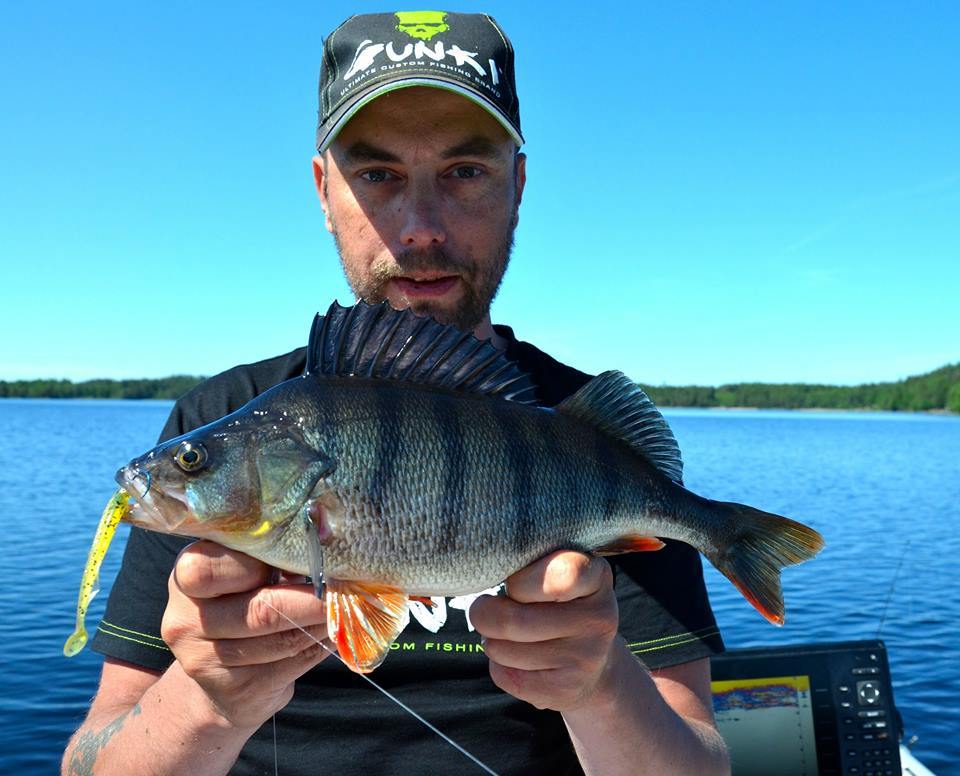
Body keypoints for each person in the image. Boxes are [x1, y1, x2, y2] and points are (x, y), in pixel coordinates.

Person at [63, 11, 729, 775]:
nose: (420, 228)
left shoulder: (584, 442)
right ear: (324, 191)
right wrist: (205, 702)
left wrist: (603, 688)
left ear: (517, 185)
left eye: (465, 171)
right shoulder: (215, 418)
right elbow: (90, 760)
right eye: (377, 175)